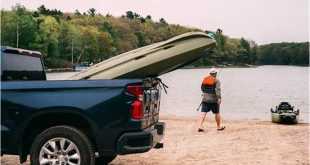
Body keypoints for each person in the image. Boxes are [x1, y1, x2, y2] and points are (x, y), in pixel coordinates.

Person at [198, 68, 225, 132]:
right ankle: (218, 127)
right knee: (217, 113)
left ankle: (200, 126)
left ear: (210, 73)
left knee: (203, 113)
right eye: (216, 73)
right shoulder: (217, 80)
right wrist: (219, 98)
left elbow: (202, 88)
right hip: (213, 99)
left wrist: (205, 93)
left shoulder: (205, 79)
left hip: (205, 99)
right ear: (215, 74)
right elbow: (218, 90)